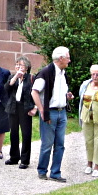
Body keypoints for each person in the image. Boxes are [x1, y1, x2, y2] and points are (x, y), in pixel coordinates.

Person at [31, 46, 73, 182]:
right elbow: (34, 92)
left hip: (62, 112)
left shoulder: (63, 73)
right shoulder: (45, 73)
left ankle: (55, 173)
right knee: (47, 144)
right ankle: (42, 171)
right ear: (60, 58)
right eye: (67, 57)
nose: (69, 60)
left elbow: (59, 92)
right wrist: (42, 110)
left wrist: (67, 96)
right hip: (51, 113)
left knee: (60, 145)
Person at [4, 57, 36, 169]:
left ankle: (25, 160)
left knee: (26, 134)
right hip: (13, 107)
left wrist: (35, 107)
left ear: (26, 67)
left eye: (21, 65)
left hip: (25, 107)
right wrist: (15, 78)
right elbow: (6, 88)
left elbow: (37, 93)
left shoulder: (31, 78)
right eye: (17, 65)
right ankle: (14, 157)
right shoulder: (12, 77)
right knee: (13, 133)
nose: (18, 67)